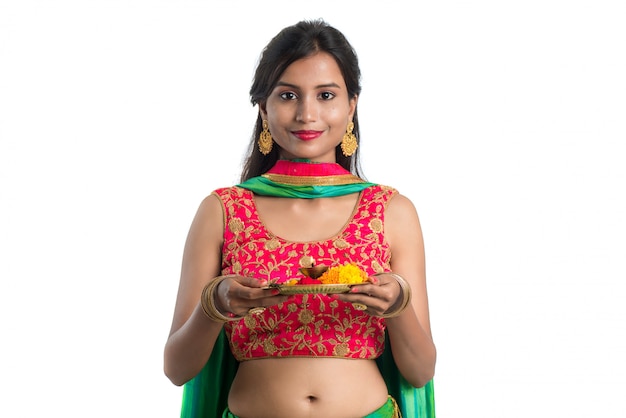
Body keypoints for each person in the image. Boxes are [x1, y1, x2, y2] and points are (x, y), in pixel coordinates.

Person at [164, 19, 436, 418]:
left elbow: (420, 370)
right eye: (288, 95)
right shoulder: (223, 210)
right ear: (263, 106)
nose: (307, 114)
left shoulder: (391, 210)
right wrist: (214, 305)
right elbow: (177, 368)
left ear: (352, 105)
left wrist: (397, 306)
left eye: (326, 95)